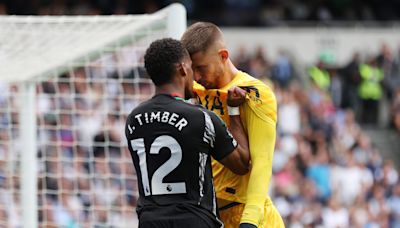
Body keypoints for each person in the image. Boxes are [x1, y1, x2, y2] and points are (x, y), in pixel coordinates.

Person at [125, 38, 250, 228]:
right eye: (193, 68)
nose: (196, 76)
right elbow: (242, 163)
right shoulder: (200, 118)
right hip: (194, 220)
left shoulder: (134, 119)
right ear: (183, 68)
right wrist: (233, 111)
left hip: (150, 221)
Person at [181, 22, 284, 228]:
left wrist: (251, 219)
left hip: (245, 214)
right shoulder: (197, 89)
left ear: (223, 56)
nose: (198, 77)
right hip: (211, 215)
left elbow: (262, 162)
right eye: (193, 70)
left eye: (202, 68)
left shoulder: (253, 93)